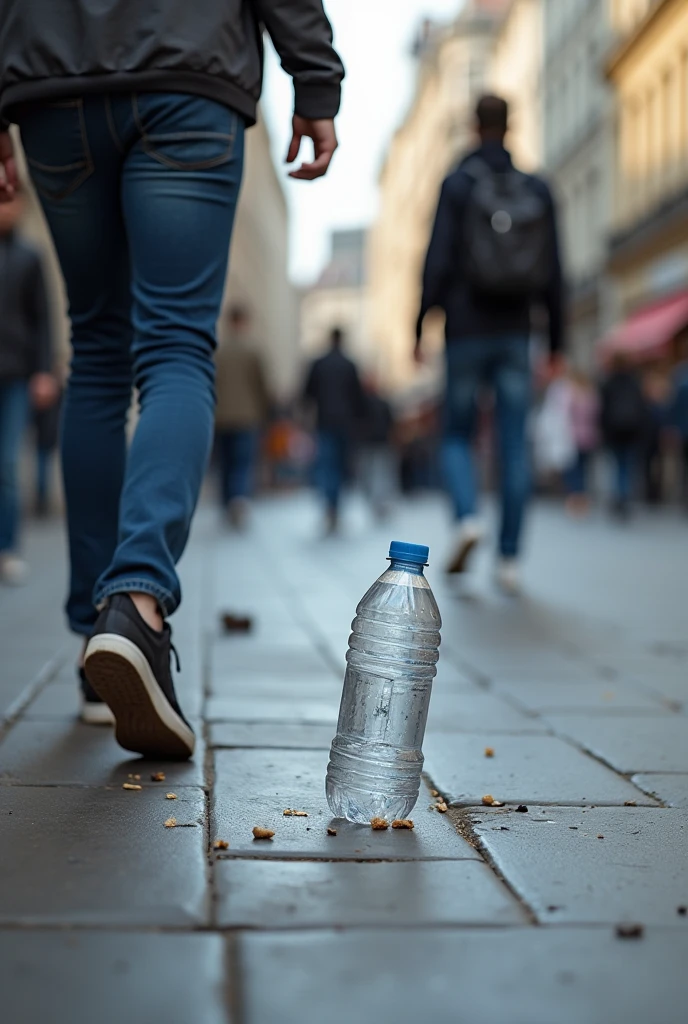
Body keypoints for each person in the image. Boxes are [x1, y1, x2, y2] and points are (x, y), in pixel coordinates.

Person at [0, 0, 343, 753]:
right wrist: (313, 81)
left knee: (95, 351)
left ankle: (99, 648)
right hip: (188, 70)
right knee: (177, 349)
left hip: (54, 84)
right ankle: (137, 601)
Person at [415, 95, 564, 593]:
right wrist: (557, 338)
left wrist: (420, 323)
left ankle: (466, 518)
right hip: (517, 330)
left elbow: (436, 257)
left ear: (473, 126)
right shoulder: (537, 187)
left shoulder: (458, 184)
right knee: (513, 443)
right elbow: (554, 270)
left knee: (456, 434)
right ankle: (509, 560)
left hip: (464, 329)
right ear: (510, 126)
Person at [0, 188, 57, 584]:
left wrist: (44, 371)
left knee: (7, 463)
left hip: (16, 375)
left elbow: (44, 320)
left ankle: (7, 549)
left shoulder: (29, 256)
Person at [303, 327, 366, 533]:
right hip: (346, 424)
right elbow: (358, 398)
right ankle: (336, 507)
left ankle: (329, 506)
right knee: (340, 467)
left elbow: (307, 393)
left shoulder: (319, 364)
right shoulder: (350, 365)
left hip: (324, 421)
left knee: (327, 465)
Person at [215, 305, 270, 529]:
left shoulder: (218, 351)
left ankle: (227, 503)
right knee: (242, 461)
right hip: (247, 417)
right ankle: (238, 498)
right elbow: (261, 386)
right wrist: (264, 412)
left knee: (225, 463)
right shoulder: (252, 351)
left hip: (221, 416)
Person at [600, 355, 647, 519]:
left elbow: (602, 410)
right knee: (627, 465)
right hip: (632, 431)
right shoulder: (635, 382)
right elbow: (642, 409)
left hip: (614, 431)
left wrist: (603, 432)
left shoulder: (608, 383)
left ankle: (619, 496)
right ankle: (624, 496)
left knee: (618, 465)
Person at [561, 368, 599, 515]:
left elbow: (564, 415)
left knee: (574, 470)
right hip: (589, 437)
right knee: (583, 469)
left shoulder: (572, 395)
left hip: (574, 437)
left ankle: (574, 498)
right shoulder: (591, 396)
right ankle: (582, 499)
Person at [359, 381, 396, 521]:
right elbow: (391, 422)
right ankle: (380, 504)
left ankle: (378, 504)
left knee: (372, 474)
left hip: (371, 443)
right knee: (381, 474)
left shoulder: (362, 405)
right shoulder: (382, 403)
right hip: (380, 442)